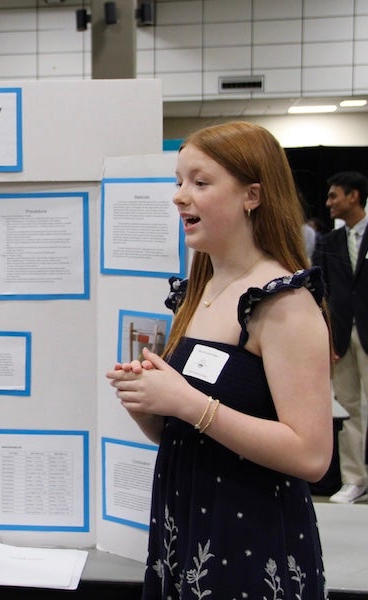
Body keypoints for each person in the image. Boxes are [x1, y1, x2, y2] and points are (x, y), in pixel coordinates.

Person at [107, 121, 332, 599]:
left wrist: (188, 403)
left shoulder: (282, 302)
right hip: (184, 528)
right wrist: (151, 408)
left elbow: (311, 455)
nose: (179, 196)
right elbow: (191, 434)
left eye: (200, 183)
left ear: (252, 196)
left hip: (248, 541)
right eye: (179, 182)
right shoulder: (198, 291)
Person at [311, 170, 368, 504]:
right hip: (343, 336)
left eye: (334, 196)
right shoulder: (329, 242)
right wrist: (327, 336)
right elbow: (321, 292)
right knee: (348, 408)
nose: (329, 203)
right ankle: (354, 478)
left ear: (354, 196)